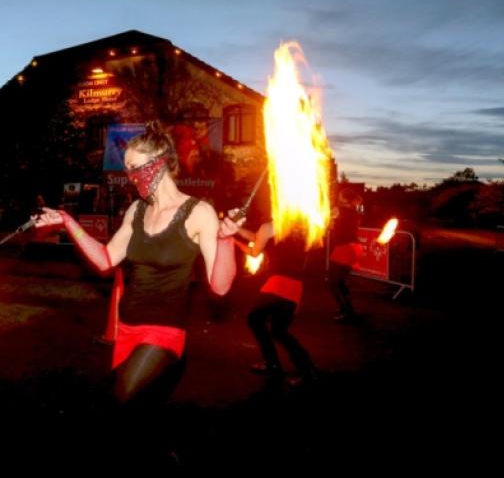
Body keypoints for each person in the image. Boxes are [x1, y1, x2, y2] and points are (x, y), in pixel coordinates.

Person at [34, 121, 242, 408]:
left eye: (136, 167)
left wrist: (226, 241)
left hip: (164, 332)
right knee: (138, 415)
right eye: (127, 169)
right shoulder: (137, 210)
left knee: (116, 398)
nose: (131, 176)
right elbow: (106, 260)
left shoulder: (198, 212)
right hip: (127, 328)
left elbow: (219, 287)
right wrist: (69, 223)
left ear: (161, 163)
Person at [236, 222, 319, 387]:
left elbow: (253, 252)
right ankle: (307, 370)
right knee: (279, 331)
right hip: (296, 287)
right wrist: (237, 230)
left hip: (278, 283)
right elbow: (257, 237)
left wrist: (235, 242)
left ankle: (273, 364)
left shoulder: (269, 226)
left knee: (255, 319)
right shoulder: (302, 227)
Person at [328, 188, 363, 322]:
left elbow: (324, 217)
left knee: (333, 283)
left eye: (340, 195)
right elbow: (333, 225)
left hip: (344, 248)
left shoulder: (339, 210)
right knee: (339, 282)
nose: (337, 197)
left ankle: (347, 311)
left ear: (344, 199)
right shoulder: (354, 212)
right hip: (352, 248)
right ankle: (347, 310)